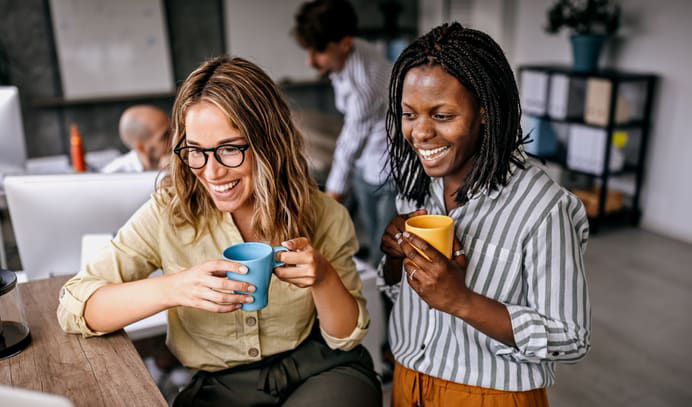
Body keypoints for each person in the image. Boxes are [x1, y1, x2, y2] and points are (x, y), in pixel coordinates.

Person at [58, 56, 381, 406]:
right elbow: (75, 305)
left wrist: (324, 279)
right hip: (221, 388)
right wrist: (174, 288)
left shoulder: (323, 213)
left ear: (268, 142)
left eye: (229, 149)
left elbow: (345, 338)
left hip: (321, 370)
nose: (211, 173)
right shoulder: (169, 213)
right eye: (195, 151)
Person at [378, 23, 591, 406]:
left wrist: (461, 300)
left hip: (490, 393)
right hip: (408, 381)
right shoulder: (418, 186)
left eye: (442, 116)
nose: (420, 133)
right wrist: (395, 259)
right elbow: (401, 292)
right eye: (409, 114)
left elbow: (570, 336)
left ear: (485, 112)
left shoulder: (543, 207)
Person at [293, 0, 395, 267]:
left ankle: (385, 300)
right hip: (366, 164)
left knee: (386, 248)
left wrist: (330, 200)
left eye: (319, 52)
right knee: (371, 241)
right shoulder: (346, 57)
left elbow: (349, 145)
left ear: (345, 43)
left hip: (390, 172)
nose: (310, 61)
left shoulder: (366, 81)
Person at [101, 105, 171, 173]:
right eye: (165, 136)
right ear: (141, 148)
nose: (174, 137)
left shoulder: (175, 160)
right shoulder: (113, 176)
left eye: (173, 129)